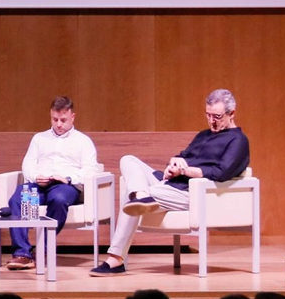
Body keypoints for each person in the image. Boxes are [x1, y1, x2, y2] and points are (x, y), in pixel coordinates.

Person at [91, 88, 249, 275]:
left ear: (232, 114)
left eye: (217, 116)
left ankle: (116, 259)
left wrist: (185, 170)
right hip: (170, 183)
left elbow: (221, 172)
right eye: (208, 115)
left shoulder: (238, 141)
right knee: (128, 160)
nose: (211, 121)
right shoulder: (203, 135)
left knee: (129, 195)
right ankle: (142, 195)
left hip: (190, 192)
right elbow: (183, 155)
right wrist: (173, 164)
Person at [6, 96, 98, 271]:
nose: (59, 125)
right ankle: (22, 254)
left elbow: (90, 170)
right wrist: (36, 176)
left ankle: (43, 249)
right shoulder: (39, 139)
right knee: (17, 198)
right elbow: (28, 164)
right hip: (40, 184)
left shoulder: (83, 141)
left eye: (63, 120)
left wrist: (68, 178)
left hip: (66, 186)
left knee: (59, 198)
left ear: (73, 117)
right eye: (55, 120)